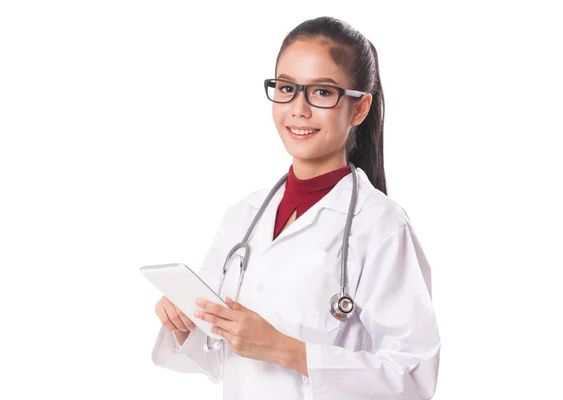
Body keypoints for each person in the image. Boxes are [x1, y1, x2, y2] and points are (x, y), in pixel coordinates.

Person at [151, 16, 441, 400]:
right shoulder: (244, 216)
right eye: (286, 88)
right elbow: (217, 357)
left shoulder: (381, 225)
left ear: (358, 109)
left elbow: (412, 376)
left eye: (322, 92)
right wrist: (184, 323)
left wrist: (286, 350)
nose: (298, 109)